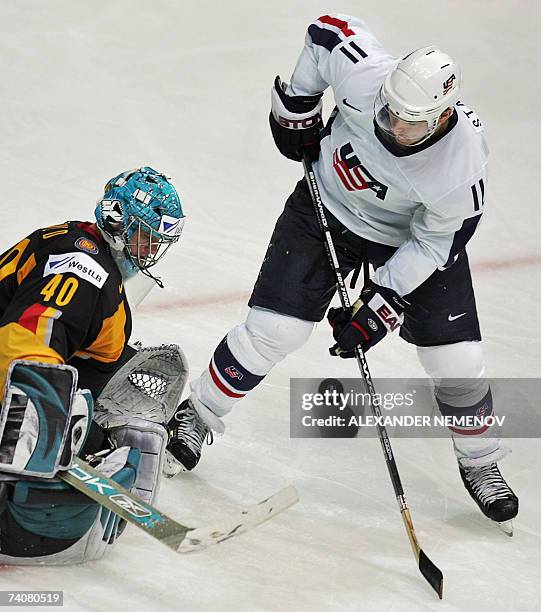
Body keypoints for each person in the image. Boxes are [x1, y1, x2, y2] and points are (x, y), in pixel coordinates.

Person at [165, 14, 518, 528]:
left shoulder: (460, 166)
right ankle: (195, 415)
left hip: (408, 238)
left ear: (442, 116)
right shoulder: (369, 77)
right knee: (274, 331)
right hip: (324, 204)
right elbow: (325, 33)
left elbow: (437, 240)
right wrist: (298, 106)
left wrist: (384, 301)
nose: (395, 125)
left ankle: (481, 462)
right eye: (390, 112)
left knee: (458, 362)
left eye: (410, 121)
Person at [0, 167, 186, 564]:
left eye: (156, 240)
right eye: (144, 235)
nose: (150, 248)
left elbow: (87, 350)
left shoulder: (92, 258)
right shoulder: (83, 266)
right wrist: (39, 414)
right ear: (117, 220)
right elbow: (28, 336)